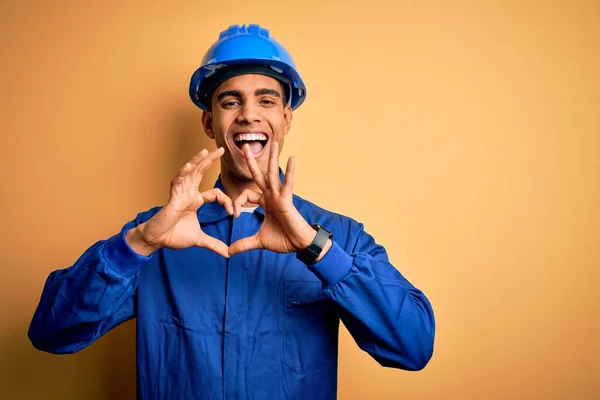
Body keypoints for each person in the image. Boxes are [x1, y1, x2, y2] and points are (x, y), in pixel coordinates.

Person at [28, 24, 435, 400]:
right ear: (209, 121)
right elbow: (51, 332)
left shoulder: (337, 238)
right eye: (230, 100)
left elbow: (413, 345)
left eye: (267, 99)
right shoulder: (160, 234)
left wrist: (316, 250)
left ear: (286, 118)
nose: (248, 114)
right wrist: (138, 242)